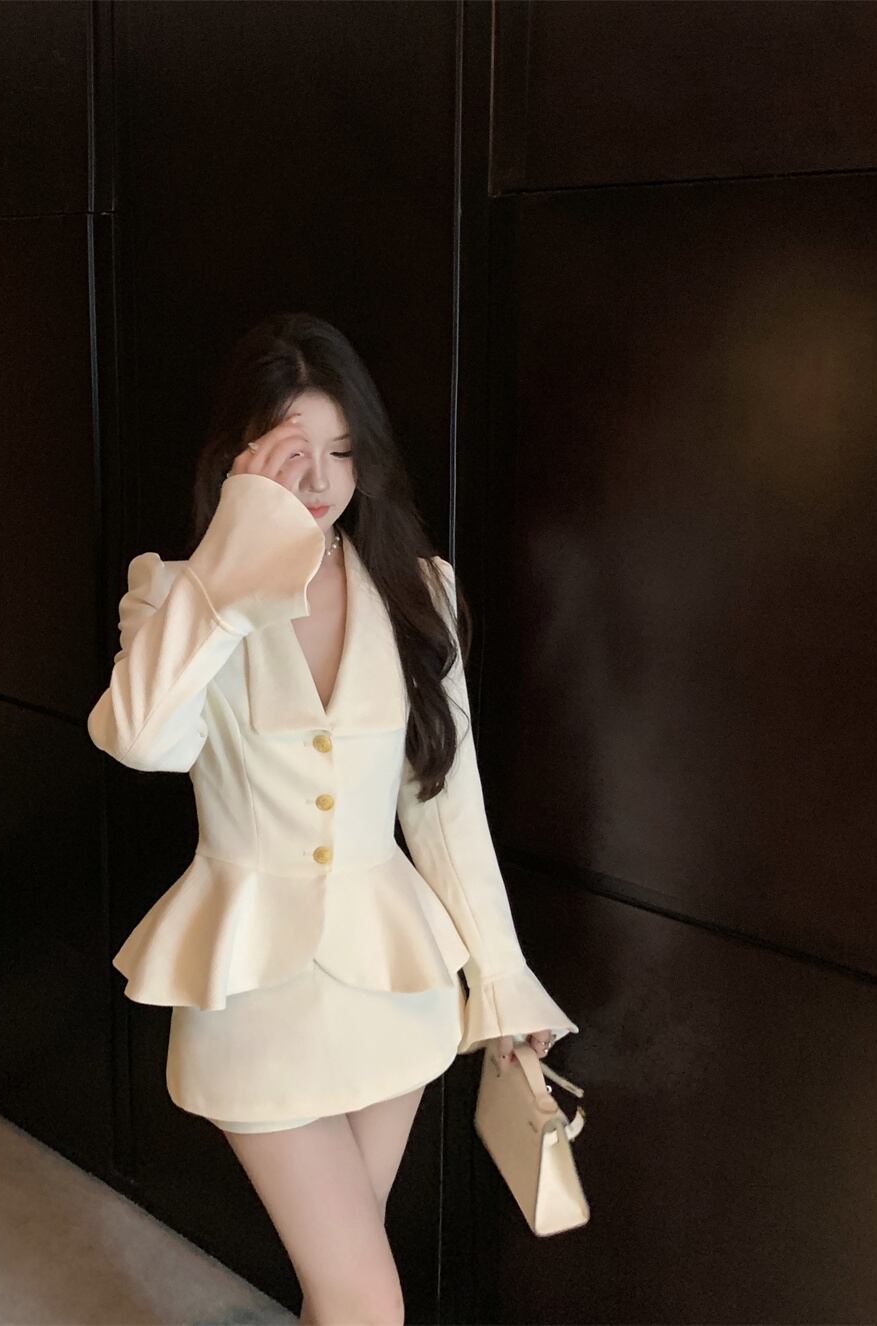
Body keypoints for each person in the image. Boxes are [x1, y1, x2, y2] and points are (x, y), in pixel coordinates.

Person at [87, 312, 580, 1325]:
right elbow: (139, 740)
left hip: (393, 984)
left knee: (343, 1289)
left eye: (342, 453)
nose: (319, 481)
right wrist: (231, 568)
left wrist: (500, 984)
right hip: (250, 990)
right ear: (237, 461)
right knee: (366, 1296)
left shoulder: (417, 591)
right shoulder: (176, 594)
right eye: (290, 454)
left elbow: (444, 806)